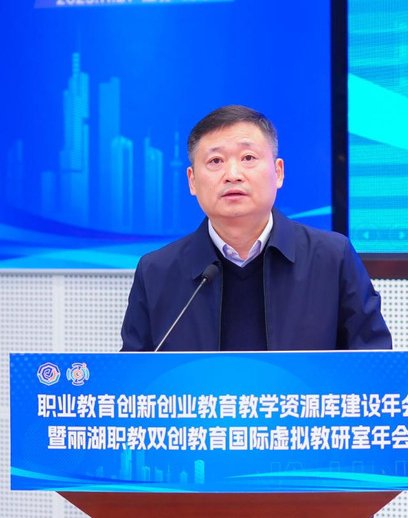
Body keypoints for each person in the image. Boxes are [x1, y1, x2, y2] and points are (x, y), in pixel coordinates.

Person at [120, 105, 391, 351]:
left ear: (278, 172)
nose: (232, 174)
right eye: (216, 161)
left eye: (248, 157)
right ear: (192, 181)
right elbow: (132, 378)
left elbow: (373, 364)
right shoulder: (156, 272)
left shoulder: (332, 258)